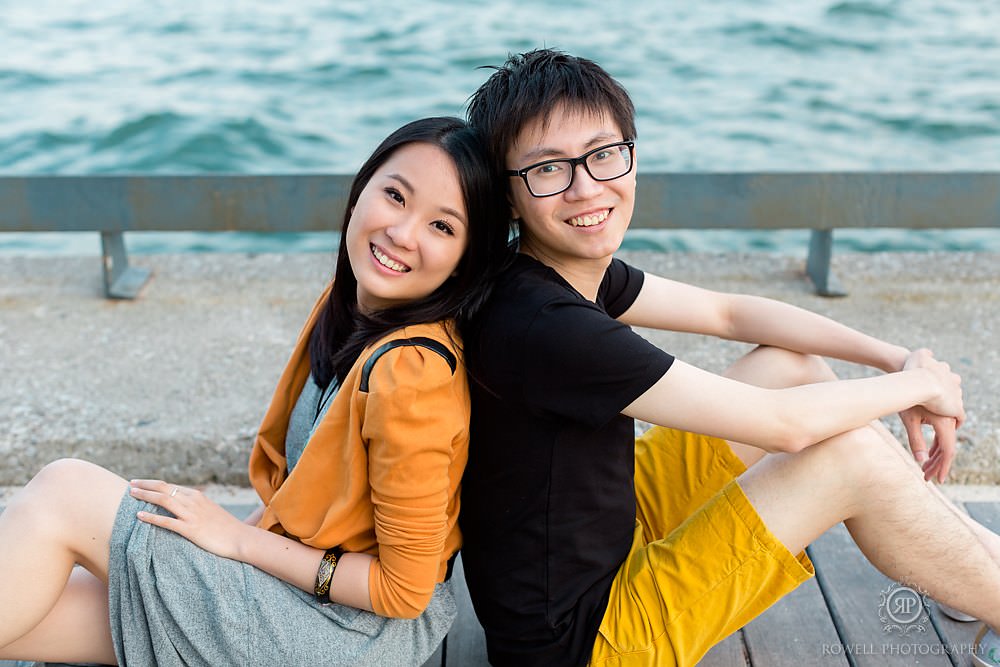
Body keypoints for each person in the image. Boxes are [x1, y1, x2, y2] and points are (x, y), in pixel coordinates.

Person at [458, 49, 1000, 667]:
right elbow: (783, 426)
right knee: (853, 457)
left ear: (630, 152)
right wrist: (919, 386)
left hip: (605, 533)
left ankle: (978, 567)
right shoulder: (546, 325)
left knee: (789, 365)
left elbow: (729, 313)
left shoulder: (554, 270)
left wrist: (896, 359)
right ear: (508, 196)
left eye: (603, 154)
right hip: (590, 641)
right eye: (549, 169)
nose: (586, 187)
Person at [0, 116, 510, 666]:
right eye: (395, 195)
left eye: (442, 227)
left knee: (64, 493)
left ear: (465, 260)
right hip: (299, 590)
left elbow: (403, 592)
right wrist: (229, 539)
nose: (403, 233)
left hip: (348, 633)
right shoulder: (348, 306)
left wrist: (237, 542)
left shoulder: (414, 372)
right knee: (39, 606)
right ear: (360, 190)